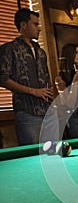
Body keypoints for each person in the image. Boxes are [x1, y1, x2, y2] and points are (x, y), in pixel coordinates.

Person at [0, 8, 58, 145]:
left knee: (54, 156)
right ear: (23, 25)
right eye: (35, 24)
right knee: (34, 158)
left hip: (49, 113)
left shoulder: (41, 52)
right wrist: (33, 91)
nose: (39, 28)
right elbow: (2, 79)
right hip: (27, 114)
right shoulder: (8, 49)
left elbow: (47, 80)